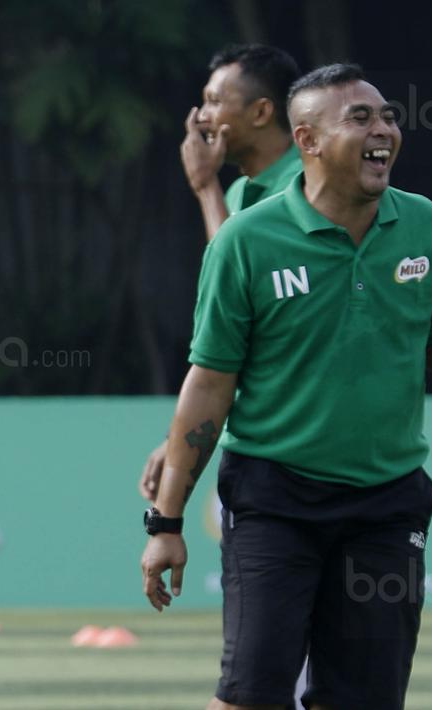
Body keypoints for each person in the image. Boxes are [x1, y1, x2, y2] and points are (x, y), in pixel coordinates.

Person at [139, 63, 432, 710]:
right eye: (361, 118)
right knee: (249, 697)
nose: (384, 131)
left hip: (386, 505)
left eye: (388, 117)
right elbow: (207, 386)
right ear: (308, 142)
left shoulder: (422, 224)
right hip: (273, 500)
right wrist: (165, 521)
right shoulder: (245, 240)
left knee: (363, 701)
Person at [139, 43, 302, 502]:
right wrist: (182, 439)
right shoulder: (238, 195)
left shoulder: (306, 188)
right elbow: (229, 339)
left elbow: (245, 282)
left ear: (262, 111)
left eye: (214, 101)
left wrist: (205, 186)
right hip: (256, 441)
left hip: (298, 449)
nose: (200, 115)